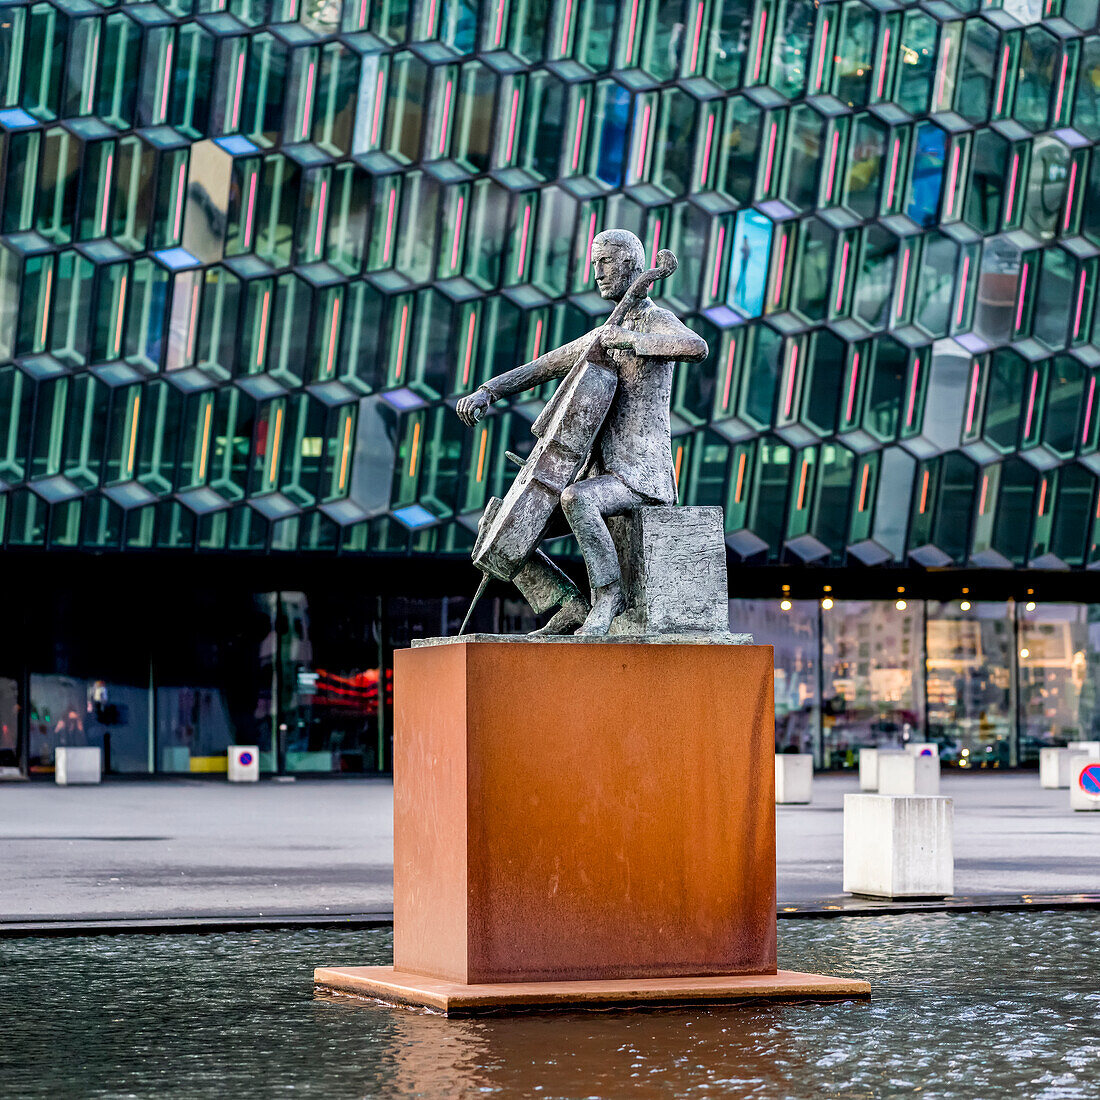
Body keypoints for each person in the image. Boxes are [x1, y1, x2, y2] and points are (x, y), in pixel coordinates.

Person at [456, 229, 709, 636]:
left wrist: (628, 340)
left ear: (631, 263)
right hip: (601, 475)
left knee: (575, 497)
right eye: (595, 263)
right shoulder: (603, 333)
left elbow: (695, 347)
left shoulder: (651, 320)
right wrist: (488, 391)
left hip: (640, 475)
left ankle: (608, 596)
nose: (598, 272)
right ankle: (571, 603)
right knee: (501, 524)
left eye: (606, 261)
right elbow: (543, 367)